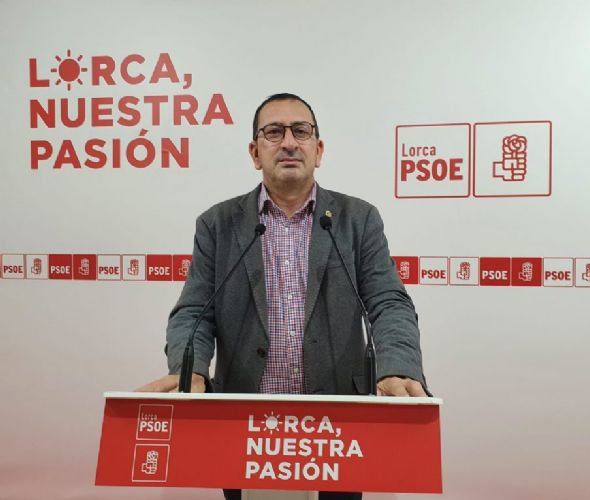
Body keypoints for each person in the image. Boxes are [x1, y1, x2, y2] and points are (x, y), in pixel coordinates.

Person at [137, 93, 430, 499]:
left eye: (301, 131)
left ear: (318, 149)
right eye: (274, 132)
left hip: (338, 429)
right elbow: (194, 312)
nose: (289, 142)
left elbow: (388, 302)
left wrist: (396, 367)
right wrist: (192, 372)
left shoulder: (358, 219)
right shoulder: (218, 224)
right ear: (255, 153)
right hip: (247, 427)